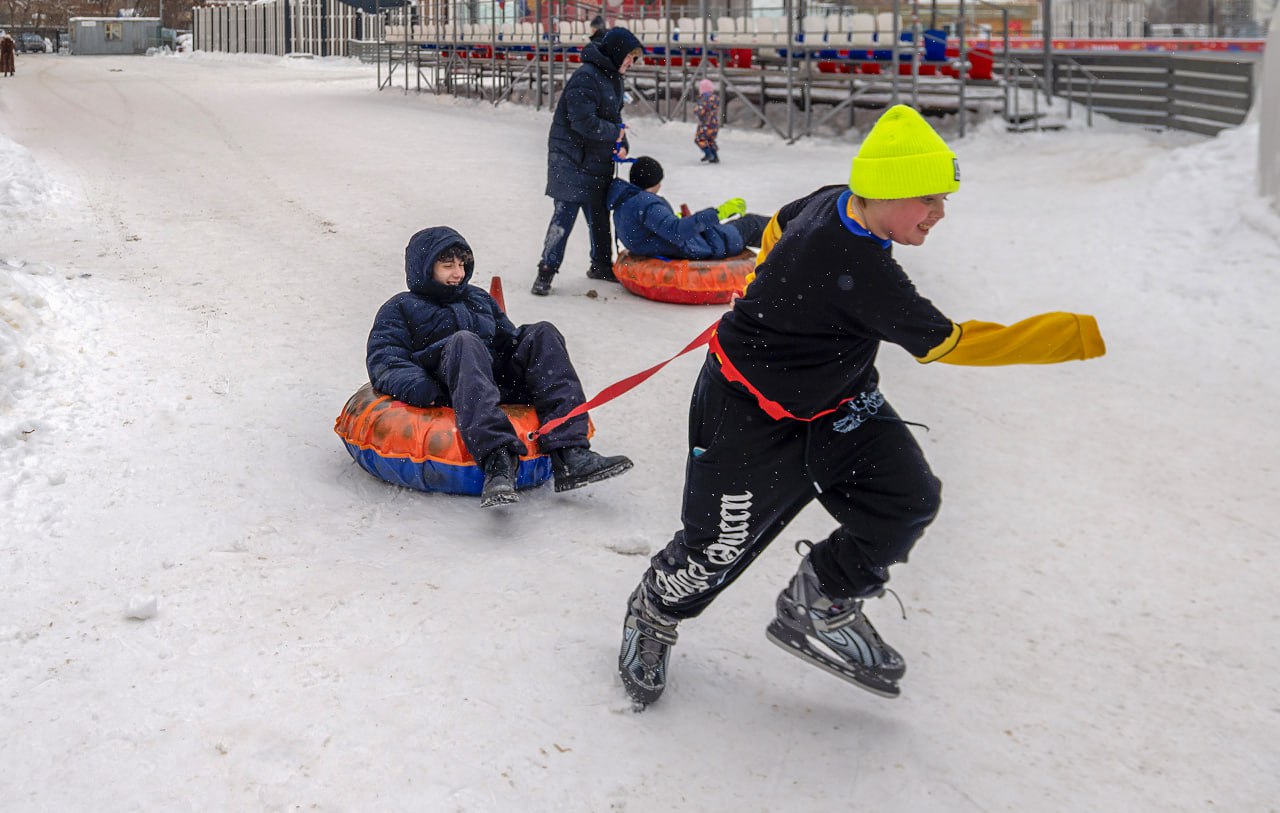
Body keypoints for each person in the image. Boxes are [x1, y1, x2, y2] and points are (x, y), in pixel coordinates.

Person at [615, 105, 1107, 708]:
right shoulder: (858, 267)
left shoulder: (837, 199)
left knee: (907, 500)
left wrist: (771, 277)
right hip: (749, 413)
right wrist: (1072, 336)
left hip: (839, 405)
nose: (940, 212)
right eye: (928, 198)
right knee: (714, 549)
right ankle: (654, 610)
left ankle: (820, 600)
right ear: (888, 191)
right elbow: (952, 343)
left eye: (944, 198)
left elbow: (779, 225)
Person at [368, 226, 633, 508]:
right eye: (448, 266)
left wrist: (529, 347)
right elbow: (385, 360)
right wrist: (424, 389)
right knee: (465, 341)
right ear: (424, 268)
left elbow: (507, 339)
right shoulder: (401, 307)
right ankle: (497, 461)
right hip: (448, 384)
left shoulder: (478, 298)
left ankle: (570, 452)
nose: (458, 273)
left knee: (542, 332)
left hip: (492, 380)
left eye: (461, 265)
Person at [533, 27, 645, 297]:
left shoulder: (613, 78)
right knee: (565, 215)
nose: (632, 63)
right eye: (629, 57)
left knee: (599, 214)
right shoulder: (586, 77)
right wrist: (613, 133)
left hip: (595, 158)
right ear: (617, 53)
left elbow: (614, 118)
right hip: (570, 158)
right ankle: (546, 271)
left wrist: (622, 143)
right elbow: (582, 121)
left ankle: (601, 265)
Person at [606, 156, 769, 261]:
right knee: (752, 224)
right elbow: (676, 232)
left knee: (747, 225)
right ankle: (785, 246)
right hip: (702, 246)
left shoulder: (626, 202)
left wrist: (674, 218)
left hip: (687, 244)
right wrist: (718, 213)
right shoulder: (646, 203)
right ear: (654, 183)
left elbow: (657, 228)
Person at [693, 78, 720, 163]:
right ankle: (715, 157)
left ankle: (708, 154)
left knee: (699, 139)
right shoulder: (715, 98)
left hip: (705, 123)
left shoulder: (703, 99)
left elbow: (700, 110)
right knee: (710, 140)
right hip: (714, 123)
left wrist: (696, 111)